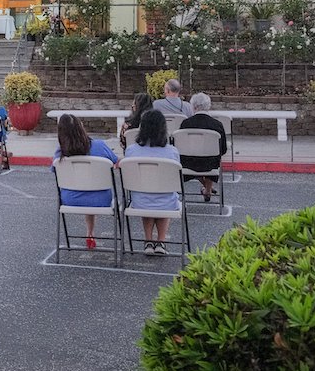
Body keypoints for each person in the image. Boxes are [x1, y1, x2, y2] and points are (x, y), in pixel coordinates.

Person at [51, 113, 118, 250]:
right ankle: (90, 233)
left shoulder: (60, 153)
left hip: (70, 199)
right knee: (91, 189)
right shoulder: (99, 145)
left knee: (84, 187)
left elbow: (55, 170)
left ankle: (90, 233)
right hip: (100, 199)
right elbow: (117, 163)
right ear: (81, 128)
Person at [125, 110, 181, 255]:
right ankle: (161, 241)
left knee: (146, 193)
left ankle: (148, 240)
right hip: (166, 202)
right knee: (164, 195)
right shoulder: (172, 152)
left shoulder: (131, 151)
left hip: (140, 202)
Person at [178, 92, 228, 202]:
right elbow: (223, 149)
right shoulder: (217, 125)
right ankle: (208, 189)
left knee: (194, 157)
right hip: (210, 164)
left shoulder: (185, 124)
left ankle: (206, 188)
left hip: (188, 163)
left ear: (193, 106)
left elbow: (180, 147)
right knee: (209, 157)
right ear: (208, 106)